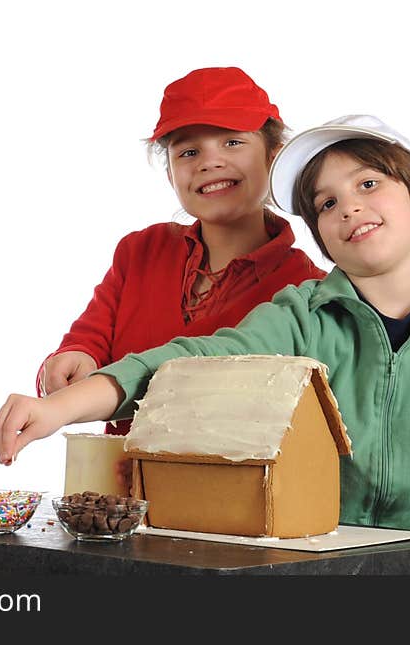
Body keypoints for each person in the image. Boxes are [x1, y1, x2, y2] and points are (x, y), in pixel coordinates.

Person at [0, 115, 410, 574]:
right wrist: (54, 409)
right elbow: (188, 364)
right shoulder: (300, 317)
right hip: (323, 568)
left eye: (369, 184)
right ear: (321, 233)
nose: (349, 206)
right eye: (326, 203)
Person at [34, 66, 326, 439]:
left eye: (232, 142)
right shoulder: (140, 252)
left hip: (229, 493)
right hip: (114, 493)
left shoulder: (306, 291)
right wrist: (71, 360)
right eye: (188, 151)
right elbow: (88, 340)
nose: (209, 162)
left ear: (274, 157)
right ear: (171, 174)